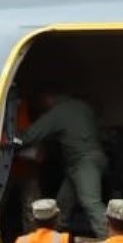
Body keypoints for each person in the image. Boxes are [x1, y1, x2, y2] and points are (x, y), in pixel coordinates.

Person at [14, 90, 106, 232]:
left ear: (47, 98)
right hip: (86, 161)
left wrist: (9, 138)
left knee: (91, 203)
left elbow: (29, 136)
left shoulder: (58, 112)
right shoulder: (82, 106)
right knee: (62, 205)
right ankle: (55, 239)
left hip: (83, 163)